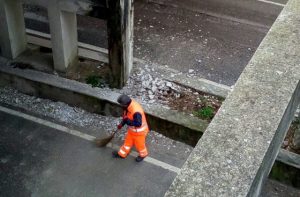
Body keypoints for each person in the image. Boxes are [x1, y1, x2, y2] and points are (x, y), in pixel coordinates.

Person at [112, 94, 150, 162]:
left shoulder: (136, 111)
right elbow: (126, 117)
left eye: (121, 104)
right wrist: (121, 124)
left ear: (125, 104)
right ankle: (122, 154)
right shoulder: (127, 108)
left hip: (140, 133)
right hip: (132, 131)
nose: (120, 106)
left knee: (140, 146)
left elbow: (138, 124)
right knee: (127, 143)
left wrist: (128, 121)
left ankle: (143, 154)